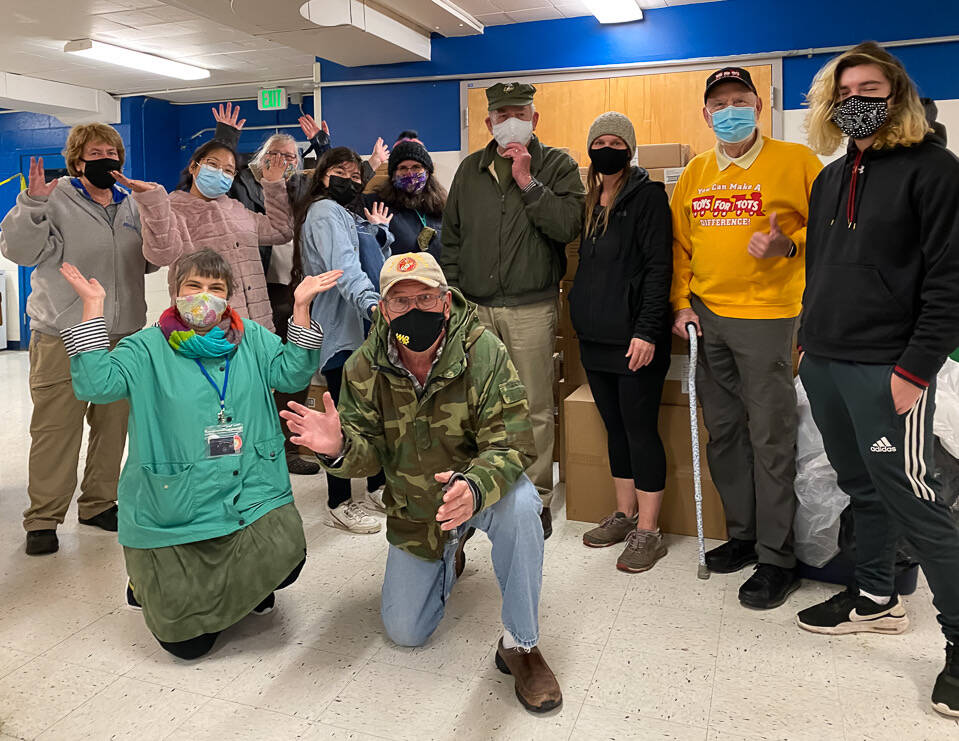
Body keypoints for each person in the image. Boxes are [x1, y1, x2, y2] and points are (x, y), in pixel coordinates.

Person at [281, 252, 563, 713]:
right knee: (406, 632)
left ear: (446, 302)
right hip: (416, 506)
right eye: (401, 301)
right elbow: (368, 454)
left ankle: (521, 645)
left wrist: (474, 488)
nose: (414, 310)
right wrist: (338, 448)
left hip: (479, 488)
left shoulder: (483, 351)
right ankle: (450, 548)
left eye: (426, 299)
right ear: (384, 310)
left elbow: (512, 441)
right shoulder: (363, 368)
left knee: (523, 504)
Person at [58, 249, 339, 659]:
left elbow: (291, 373)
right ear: (175, 291)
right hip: (176, 504)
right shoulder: (146, 347)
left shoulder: (251, 337)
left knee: (287, 555)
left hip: (248, 493)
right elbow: (97, 386)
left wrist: (300, 308)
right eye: (193, 285)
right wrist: (92, 309)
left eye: (215, 287)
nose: (203, 296)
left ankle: (247, 586)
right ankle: (147, 581)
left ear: (228, 296)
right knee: (187, 646)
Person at [794, 41, 959, 718]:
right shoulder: (830, 176)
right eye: (844, 92)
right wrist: (806, 342)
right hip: (825, 361)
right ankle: (875, 598)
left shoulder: (935, 170)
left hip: (888, 368)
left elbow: (950, 280)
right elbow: (825, 266)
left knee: (918, 503)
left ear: (898, 97)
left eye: (870, 90)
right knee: (859, 485)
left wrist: (915, 369)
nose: (855, 102)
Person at [669, 67, 823, 609]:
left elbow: (832, 230)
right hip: (707, 317)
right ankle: (744, 535)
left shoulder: (796, 161)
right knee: (725, 433)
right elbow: (680, 246)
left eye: (740, 100)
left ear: (758, 107)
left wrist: (788, 244)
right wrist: (681, 303)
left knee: (770, 436)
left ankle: (778, 559)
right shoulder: (696, 172)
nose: (729, 110)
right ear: (706, 114)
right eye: (719, 104)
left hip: (768, 318)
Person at [0, 123, 154, 556]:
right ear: (77, 161)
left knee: (113, 427)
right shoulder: (54, 199)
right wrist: (32, 203)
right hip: (63, 334)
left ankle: (99, 503)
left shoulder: (130, 204)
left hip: (122, 336)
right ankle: (43, 519)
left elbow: (149, 263)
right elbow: (19, 252)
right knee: (56, 430)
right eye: (96, 152)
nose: (106, 158)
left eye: (112, 151)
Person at [440, 82, 585, 538]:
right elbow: (451, 240)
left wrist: (527, 180)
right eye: (501, 115)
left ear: (534, 119)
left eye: (520, 113)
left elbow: (568, 226)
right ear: (488, 123)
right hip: (475, 308)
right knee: (476, 404)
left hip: (531, 307)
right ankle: (477, 490)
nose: (511, 122)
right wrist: (454, 300)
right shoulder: (470, 170)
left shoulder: (558, 165)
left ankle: (536, 496)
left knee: (534, 404)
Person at [571, 113, 673, 573]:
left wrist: (647, 331)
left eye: (616, 143)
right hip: (596, 338)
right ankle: (624, 514)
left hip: (636, 339)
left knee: (639, 430)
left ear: (629, 150)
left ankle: (649, 532)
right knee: (615, 428)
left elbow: (658, 268)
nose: (606, 149)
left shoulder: (648, 197)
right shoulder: (591, 199)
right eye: (599, 142)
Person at [212, 105, 331, 476]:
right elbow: (213, 178)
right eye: (275, 154)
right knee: (241, 374)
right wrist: (225, 138)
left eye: (291, 156)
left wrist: (322, 145)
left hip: (295, 292)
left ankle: (288, 447)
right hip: (254, 290)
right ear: (261, 157)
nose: (283, 161)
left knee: (293, 373)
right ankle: (234, 450)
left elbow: (334, 179)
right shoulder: (242, 185)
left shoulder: (300, 188)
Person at [293, 147, 392, 533]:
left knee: (371, 412)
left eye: (355, 175)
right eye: (340, 172)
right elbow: (343, 268)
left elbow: (373, 261)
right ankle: (339, 501)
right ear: (322, 175)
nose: (349, 180)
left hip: (361, 328)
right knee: (342, 417)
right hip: (340, 328)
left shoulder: (346, 214)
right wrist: (371, 303)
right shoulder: (323, 211)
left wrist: (378, 232)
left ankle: (376, 485)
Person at [113, 138, 292, 331]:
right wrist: (153, 201)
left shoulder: (237, 210)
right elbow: (161, 255)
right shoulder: (174, 210)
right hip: (206, 327)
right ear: (193, 167)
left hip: (257, 326)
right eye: (213, 165)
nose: (220, 173)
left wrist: (273, 185)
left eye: (228, 170)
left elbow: (280, 230)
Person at [364, 138, 446, 257]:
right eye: (403, 168)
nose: (410, 173)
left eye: (416, 167)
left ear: (427, 173)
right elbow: (345, 199)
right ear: (393, 175)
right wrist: (370, 166)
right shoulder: (377, 204)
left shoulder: (442, 207)